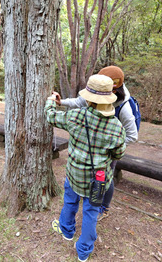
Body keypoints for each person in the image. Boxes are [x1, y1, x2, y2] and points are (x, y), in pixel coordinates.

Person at [44, 74, 126, 261]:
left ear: (89, 97)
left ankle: (66, 230)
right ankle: (84, 251)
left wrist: (51, 101)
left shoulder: (76, 116)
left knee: (70, 201)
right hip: (98, 180)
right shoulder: (117, 127)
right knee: (90, 212)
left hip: (74, 175)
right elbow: (118, 154)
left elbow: (50, 116)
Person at [53, 65, 138, 220]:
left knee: (106, 178)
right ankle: (88, 197)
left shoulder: (124, 107)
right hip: (95, 142)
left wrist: (112, 145)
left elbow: (132, 135)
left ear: (112, 89)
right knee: (91, 173)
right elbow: (79, 102)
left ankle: (104, 207)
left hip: (110, 149)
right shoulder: (96, 93)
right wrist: (61, 102)